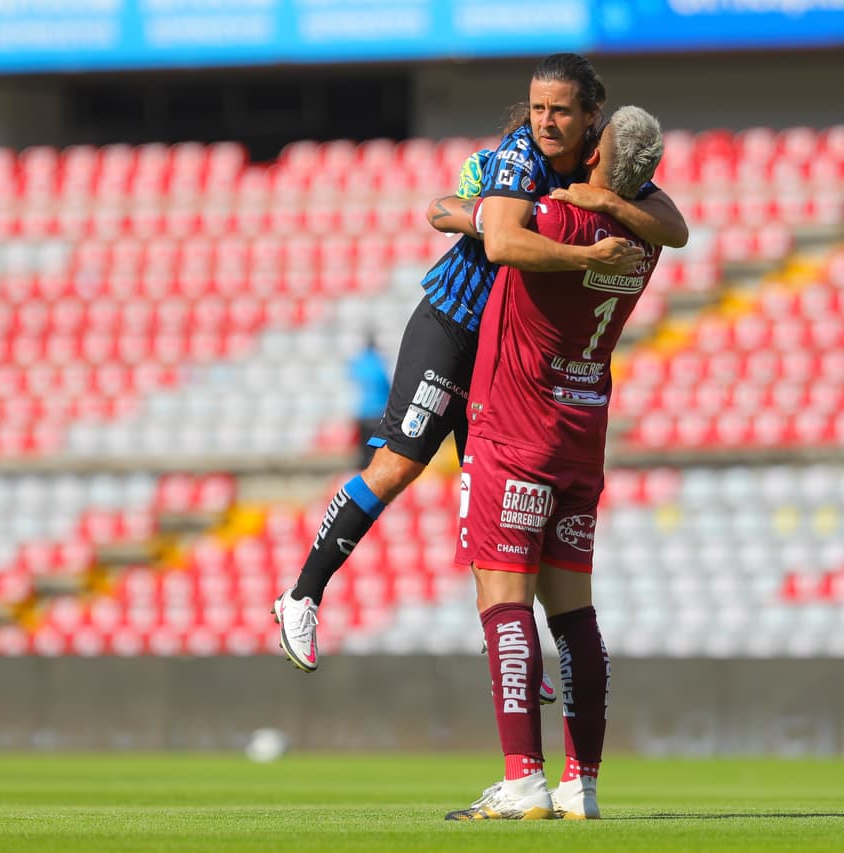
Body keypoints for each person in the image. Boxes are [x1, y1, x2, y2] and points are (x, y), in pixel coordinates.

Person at [272, 53, 688, 673]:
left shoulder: (601, 164)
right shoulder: (519, 154)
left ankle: (507, 650)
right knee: (399, 464)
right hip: (456, 324)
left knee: (489, 504)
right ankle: (301, 595)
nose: (546, 122)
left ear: (591, 117)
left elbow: (673, 227)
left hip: (508, 352)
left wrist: (607, 207)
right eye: (539, 107)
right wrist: (583, 255)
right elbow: (500, 241)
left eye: (561, 111)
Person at [444, 106, 666, 821]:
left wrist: (458, 209)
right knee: (575, 613)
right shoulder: (644, 239)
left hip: (515, 427)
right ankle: (583, 782)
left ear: (598, 160)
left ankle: (522, 780)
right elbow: (669, 220)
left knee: (504, 600)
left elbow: (501, 235)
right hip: (580, 434)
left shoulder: (559, 220)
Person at [347, 334, 391, 470]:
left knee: (363, 452)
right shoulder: (380, 362)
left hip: (364, 413)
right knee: (376, 451)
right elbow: (386, 384)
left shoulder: (359, 363)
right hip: (379, 412)